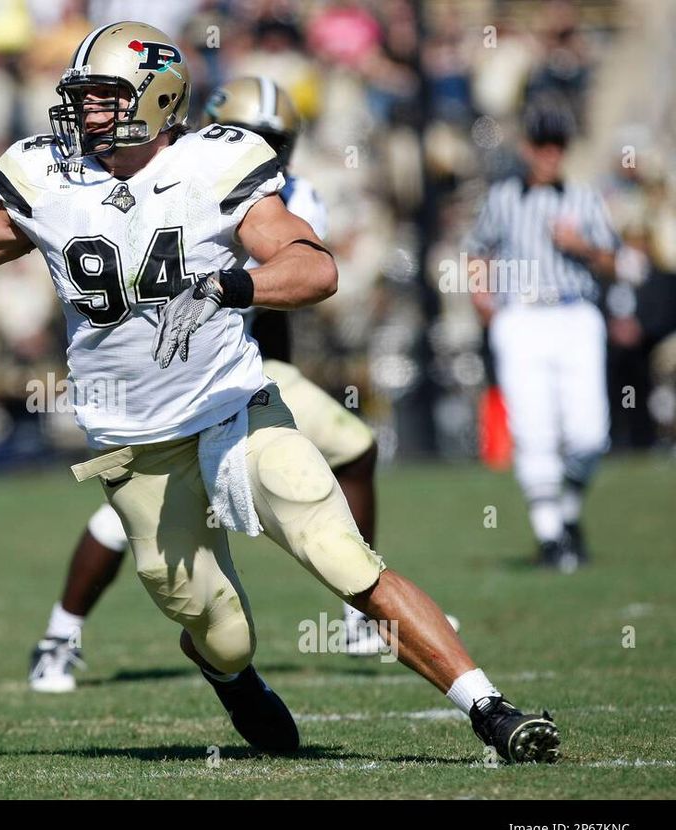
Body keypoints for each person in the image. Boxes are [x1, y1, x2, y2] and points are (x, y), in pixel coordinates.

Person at [0, 21, 560, 763]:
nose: (83, 113)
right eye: (81, 97)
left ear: (157, 97)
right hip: (132, 445)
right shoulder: (49, 178)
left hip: (233, 406)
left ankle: (491, 709)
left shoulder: (218, 163)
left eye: (103, 98)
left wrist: (233, 282)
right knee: (219, 627)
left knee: (339, 554)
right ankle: (228, 674)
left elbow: (313, 267)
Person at [25, 75, 456, 691]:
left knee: (350, 452)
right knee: (131, 520)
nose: (264, 148)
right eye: (255, 135)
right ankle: (61, 635)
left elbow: (297, 271)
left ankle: (357, 611)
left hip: (238, 359)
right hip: (169, 374)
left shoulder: (285, 193)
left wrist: (224, 288)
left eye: (276, 139)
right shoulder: (172, 170)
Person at [466, 97, 618, 571]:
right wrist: (483, 302)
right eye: (542, 145)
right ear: (528, 147)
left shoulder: (585, 197)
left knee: (590, 433)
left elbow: (616, 262)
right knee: (534, 429)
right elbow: (476, 251)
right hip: (523, 316)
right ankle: (550, 535)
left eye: (558, 145)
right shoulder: (503, 197)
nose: (550, 155)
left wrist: (582, 246)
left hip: (575, 313)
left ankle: (566, 513)